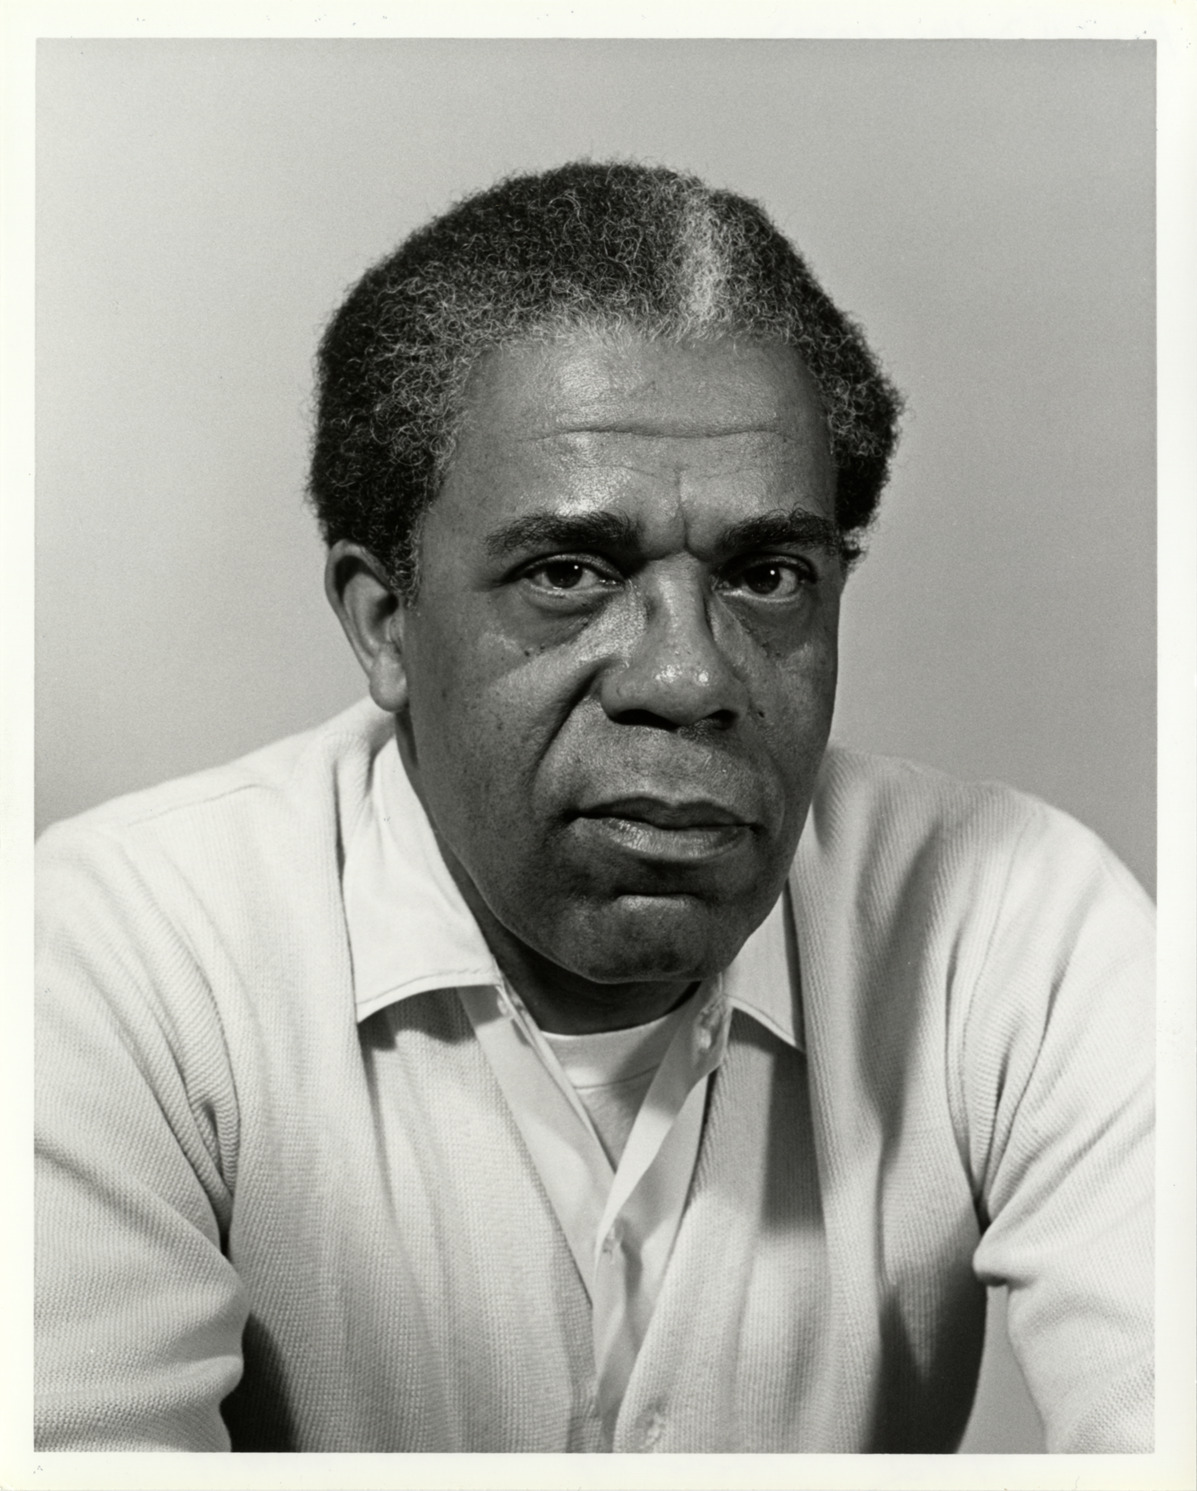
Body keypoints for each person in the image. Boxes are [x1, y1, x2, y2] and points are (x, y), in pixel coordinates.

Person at [34, 160, 1153, 1454]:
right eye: (569, 571)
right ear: (384, 622)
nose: (688, 676)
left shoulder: (1011, 925)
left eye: (768, 574)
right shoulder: (123, 956)